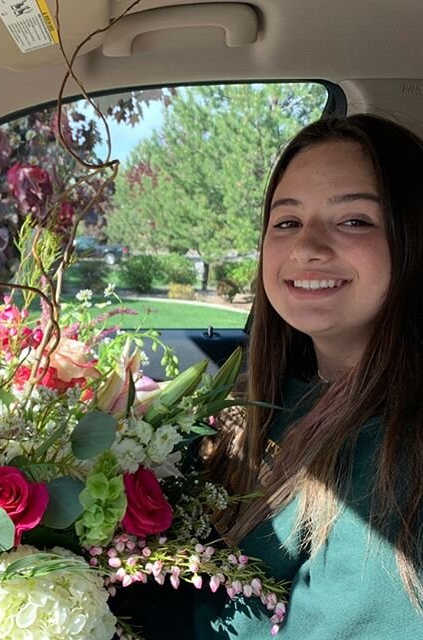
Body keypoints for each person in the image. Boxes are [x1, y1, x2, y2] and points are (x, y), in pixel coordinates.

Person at [193, 113, 423, 638]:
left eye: (354, 221)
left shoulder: (401, 455)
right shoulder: (267, 397)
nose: (307, 247)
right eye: (287, 222)